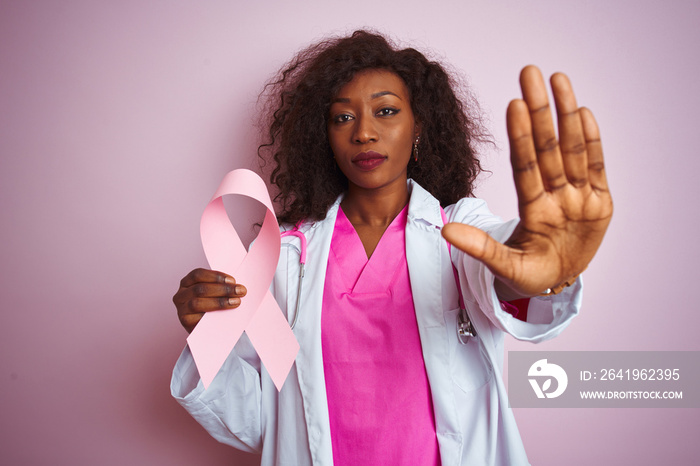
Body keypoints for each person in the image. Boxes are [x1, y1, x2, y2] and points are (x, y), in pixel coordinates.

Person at [171, 30, 612, 465]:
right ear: (322, 136)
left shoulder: (458, 228)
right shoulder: (282, 253)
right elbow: (259, 424)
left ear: (419, 126)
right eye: (343, 117)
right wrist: (208, 339)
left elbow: (500, 265)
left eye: (385, 111)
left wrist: (539, 273)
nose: (364, 133)